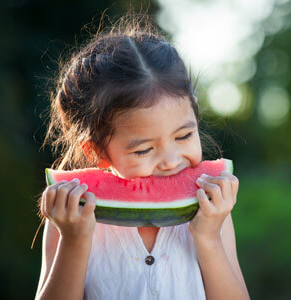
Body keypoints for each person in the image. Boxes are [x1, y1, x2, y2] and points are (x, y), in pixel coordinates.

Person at [35, 14, 250, 300]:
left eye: (184, 136)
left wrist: (208, 238)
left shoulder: (213, 210)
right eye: (143, 150)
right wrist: (74, 241)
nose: (171, 160)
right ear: (97, 151)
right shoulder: (70, 215)